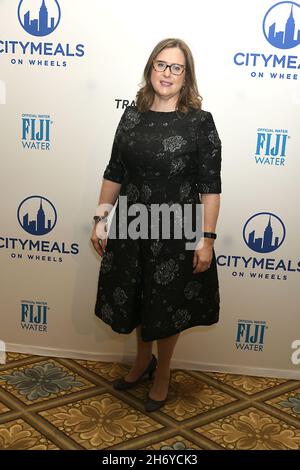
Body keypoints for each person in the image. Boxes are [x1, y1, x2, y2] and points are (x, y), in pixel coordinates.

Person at [91, 38, 222, 412]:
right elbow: (114, 170)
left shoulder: (200, 123)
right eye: (161, 65)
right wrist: (101, 217)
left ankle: (162, 371)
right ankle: (141, 362)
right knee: (136, 297)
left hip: (177, 227)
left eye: (176, 67)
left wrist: (206, 239)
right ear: (150, 69)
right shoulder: (131, 117)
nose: (167, 73)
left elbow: (210, 186)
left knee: (166, 305)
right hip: (133, 223)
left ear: (186, 76)